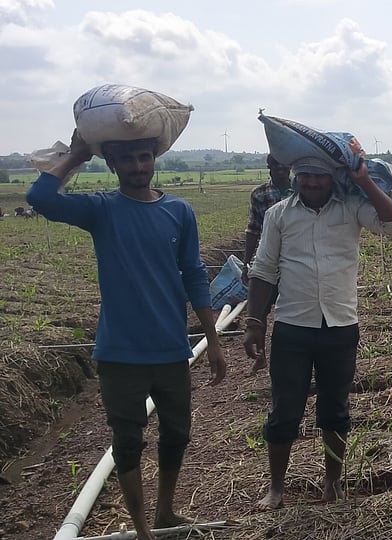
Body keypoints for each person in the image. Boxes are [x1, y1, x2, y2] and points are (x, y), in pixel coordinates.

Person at [27, 132, 226, 540]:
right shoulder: (101, 210)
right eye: (128, 159)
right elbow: (41, 199)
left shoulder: (180, 211)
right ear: (112, 164)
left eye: (144, 156)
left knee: (177, 433)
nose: (138, 166)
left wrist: (214, 340)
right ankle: (141, 529)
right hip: (120, 353)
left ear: (155, 158)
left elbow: (195, 275)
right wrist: (78, 155)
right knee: (127, 440)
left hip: (172, 347)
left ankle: (165, 513)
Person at [243, 153, 392, 510]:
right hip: (292, 327)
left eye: (319, 176)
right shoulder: (279, 215)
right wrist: (254, 321)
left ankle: (333, 483)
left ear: (332, 177)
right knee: (285, 409)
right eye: (305, 176)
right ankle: (276, 489)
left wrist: (364, 181)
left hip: (340, 327)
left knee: (335, 409)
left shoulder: (351, 208)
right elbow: (264, 268)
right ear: (294, 176)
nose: (312, 183)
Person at [242, 155, 293, 284]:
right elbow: (253, 229)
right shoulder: (259, 194)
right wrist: (246, 263)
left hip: (295, 256)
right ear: (269, 167)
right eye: (276, 164)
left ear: (290, 166)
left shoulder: (300, 192)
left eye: (284, 164)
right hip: (267, 256)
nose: (280, 168)